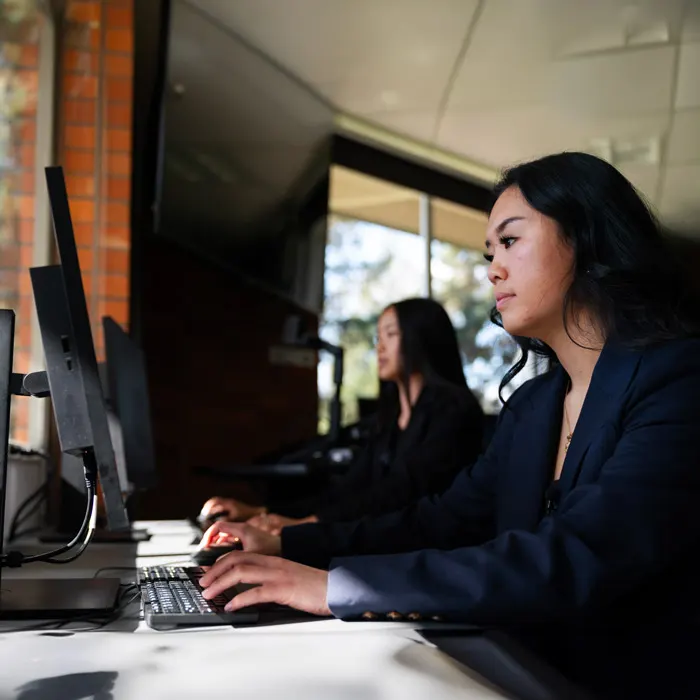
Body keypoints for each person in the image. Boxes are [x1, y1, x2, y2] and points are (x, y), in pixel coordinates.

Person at [197, 152, 700, 699]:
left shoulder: (679, 378)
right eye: (489, 252)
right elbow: (442, 521)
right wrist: (286, 544)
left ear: (587, 238)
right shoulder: (534, 405)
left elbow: (575, 555)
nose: (492, 269)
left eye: (510, 242)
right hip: (512, 674)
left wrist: (338, 586)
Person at [201, 297, 484, 534]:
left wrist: (308, 524)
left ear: (421, 337)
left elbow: (401, 492)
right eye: (378, 337)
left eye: (391, 334)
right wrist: (265, 512)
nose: (380, 347)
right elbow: (350, 488)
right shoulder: (389, 419)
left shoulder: (454, 409)